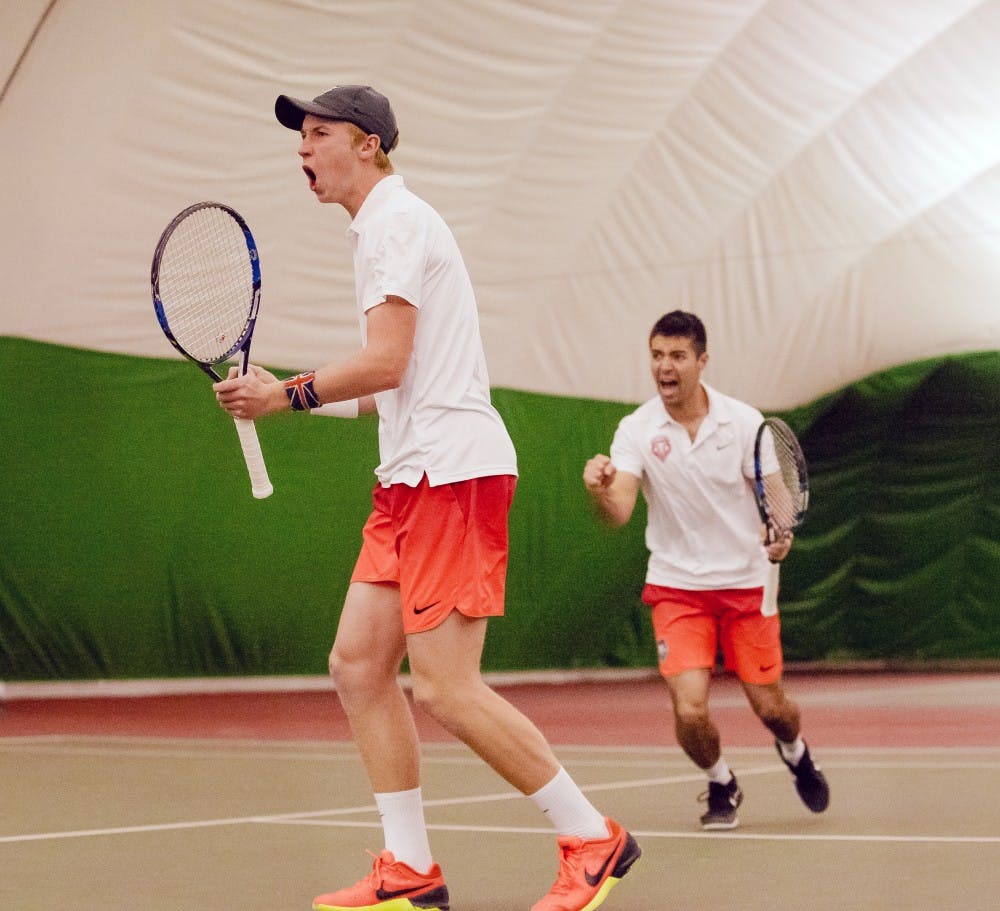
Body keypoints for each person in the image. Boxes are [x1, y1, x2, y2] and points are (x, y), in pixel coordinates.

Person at [213, 85, 639, 911]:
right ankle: (409, 866)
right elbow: (381, 388)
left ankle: (593, 835)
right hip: (408, 477)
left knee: (446, 687)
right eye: (299, 136)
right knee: (359, 665)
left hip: (452, 470)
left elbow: (388, 362)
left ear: (367, 144)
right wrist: (287, 393)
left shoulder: (397, 224)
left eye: (318, 133)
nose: (303, 149)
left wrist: (287, 396)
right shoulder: (376, 231)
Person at [582, 310, 829, 830]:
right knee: (690, 711)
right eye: (656, 355)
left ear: (701, 361)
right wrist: (601, 489)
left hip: (745, 586)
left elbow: (779, 504)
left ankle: (795, 750)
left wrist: (780, 536)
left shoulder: (742, 423)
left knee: (771, 708)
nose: (663, 367)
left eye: (676, 356)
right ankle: (721, 782)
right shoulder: (637, 429)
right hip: (678, 587)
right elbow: (620, 511)